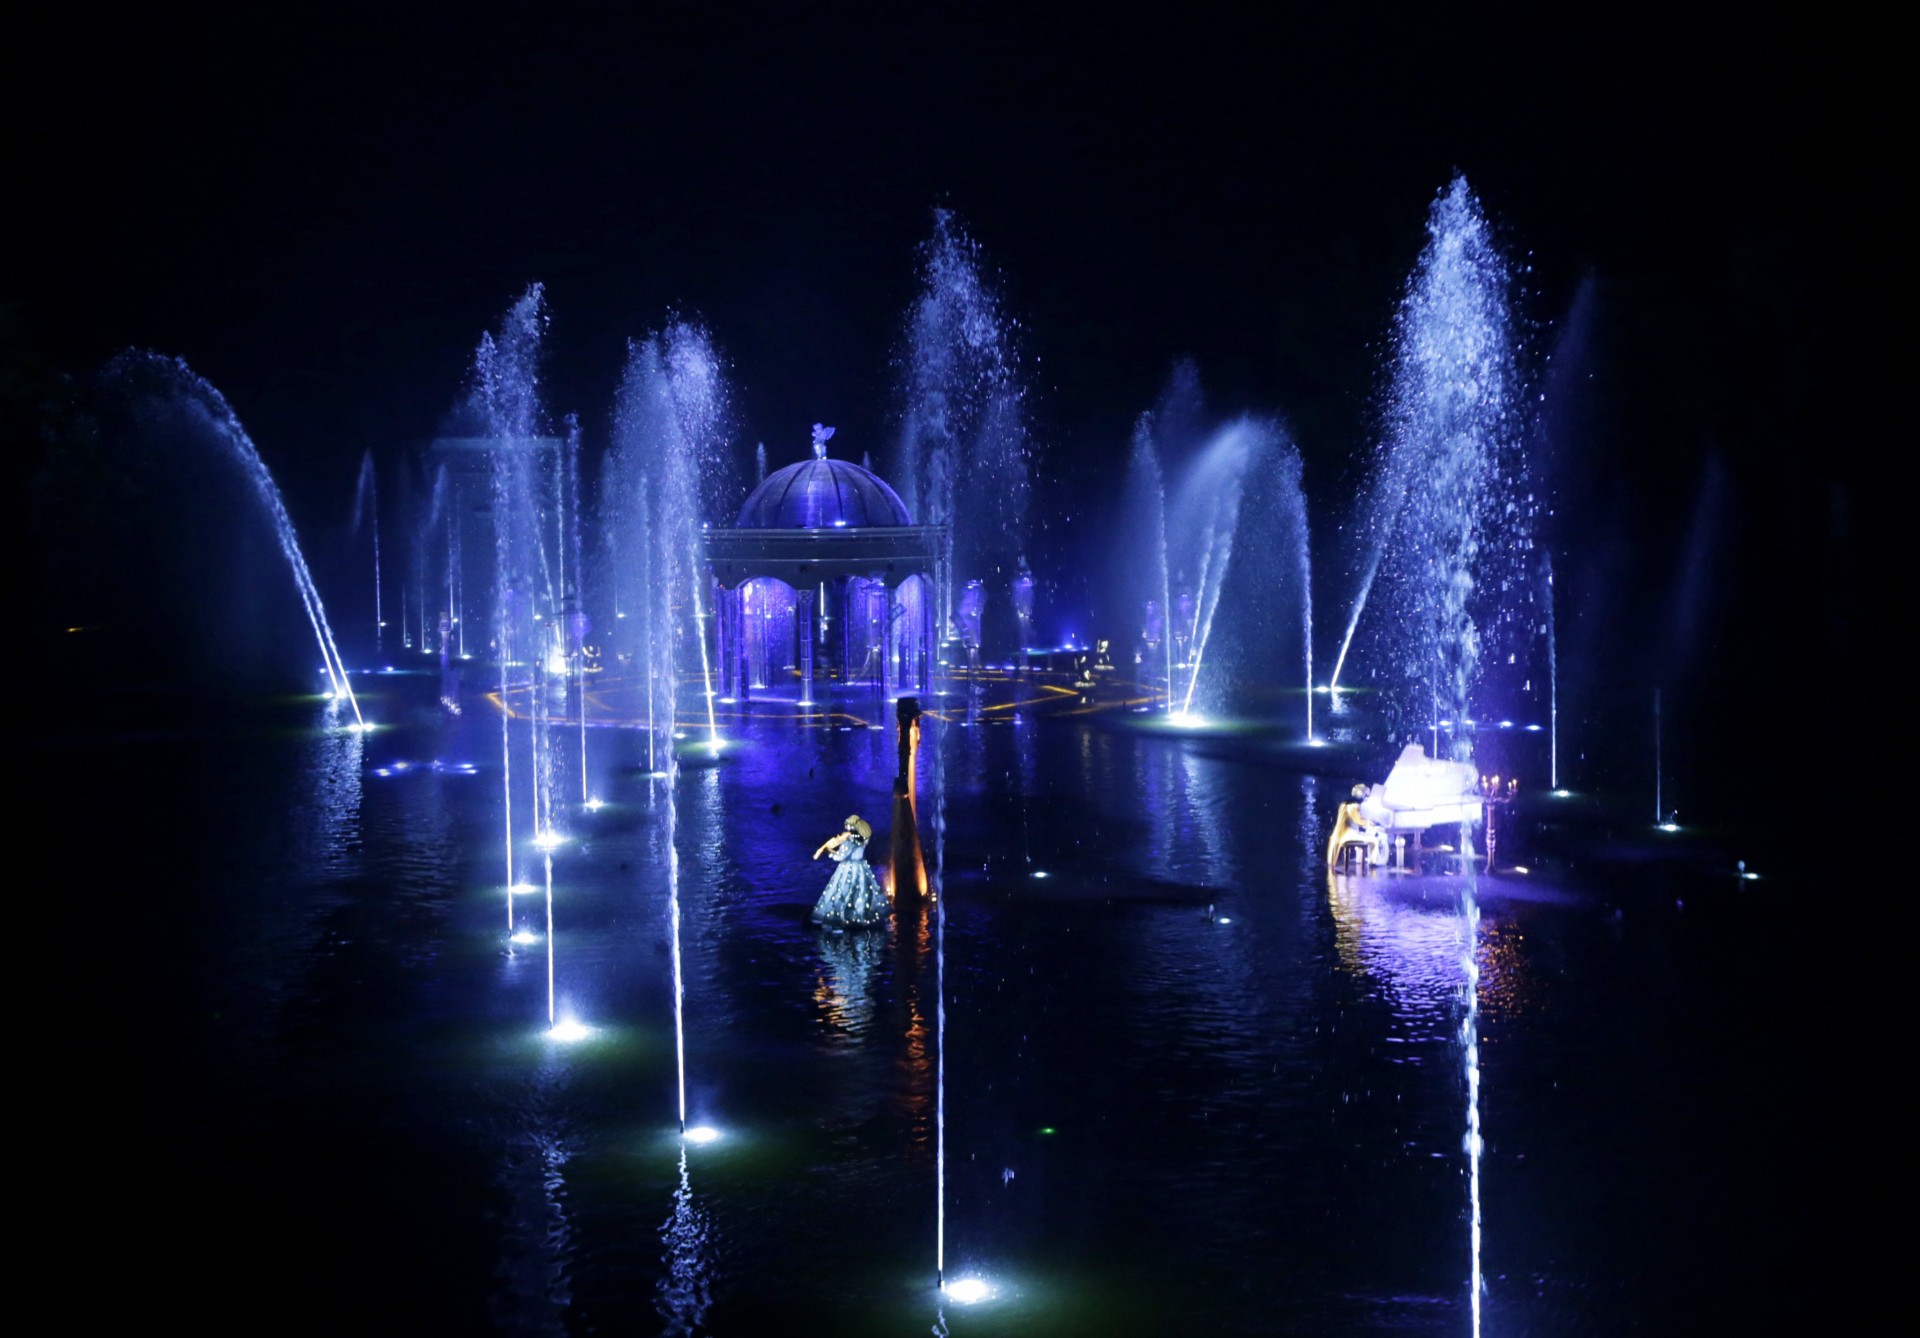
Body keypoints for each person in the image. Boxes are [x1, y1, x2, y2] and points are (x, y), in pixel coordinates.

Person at [811, 814, 889, 926]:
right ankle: (865, 914)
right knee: (863, 891)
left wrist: (829, 851)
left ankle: (843, 918)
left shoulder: (848, 842)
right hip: (862, 867)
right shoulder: (864, 839)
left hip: (848, 868)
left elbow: (840, 856)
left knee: (843, 892)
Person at [1327, 784, 1388, 870]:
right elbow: (1358, 820)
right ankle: (1373, 863)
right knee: (1374, 840)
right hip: (1349, 835)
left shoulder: (1346, 804)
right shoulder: (1353, 806)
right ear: (1360, 794)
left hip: (1348, 833)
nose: (1366, 797)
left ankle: (1365, 860)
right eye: (1365, 795)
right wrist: (1370, 822)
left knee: (1368, 837)